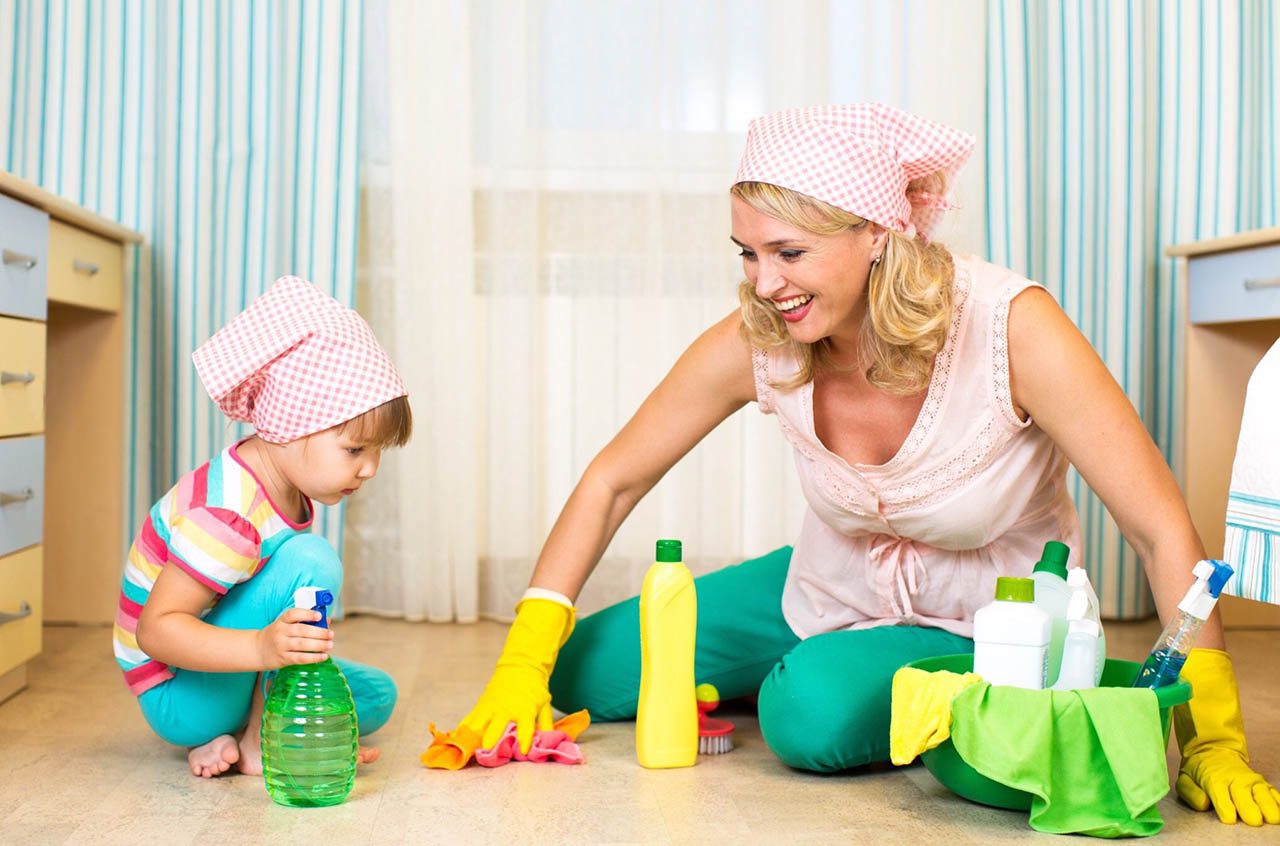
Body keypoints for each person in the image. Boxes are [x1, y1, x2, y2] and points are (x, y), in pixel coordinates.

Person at [449, 104, 1279, 826]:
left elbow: (1157, 526)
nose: (763, 284)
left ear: (876, 233)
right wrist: (521, 663)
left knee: (806, 715)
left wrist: (1213, 738)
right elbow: (614, 479)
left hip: (982, 626)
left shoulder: (1010, 328)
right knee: (578, 672)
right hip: (827, 588)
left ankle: (853, 684)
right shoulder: (766, 336)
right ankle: (802, 665)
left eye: (789, 253)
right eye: (747, 254)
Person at [115, 276, 412, 779]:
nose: (369, 469)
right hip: (177, 691)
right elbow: (156, 630)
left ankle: (233, 734)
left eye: (378, 451)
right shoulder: (228, 514)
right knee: (312, 559)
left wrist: (276, 648)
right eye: (355, 449)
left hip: (220, 677)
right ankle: (260, 740)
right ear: (291, 424)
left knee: (377, 696)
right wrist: (261, 648)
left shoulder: (282, 487)